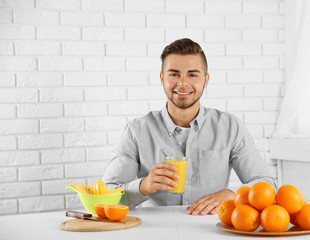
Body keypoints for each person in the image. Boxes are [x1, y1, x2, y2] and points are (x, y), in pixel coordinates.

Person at [102, 38, 276, 216]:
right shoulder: (136, 131)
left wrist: (233, 195)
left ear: (206, 80)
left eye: (192, 74)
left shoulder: (230, 127)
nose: (183, 83)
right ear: (162, 79)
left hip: (212, 230)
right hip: (155, 231)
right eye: (174, 74)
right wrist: (143, 186)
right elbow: (105, 195)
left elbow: (266, 183)